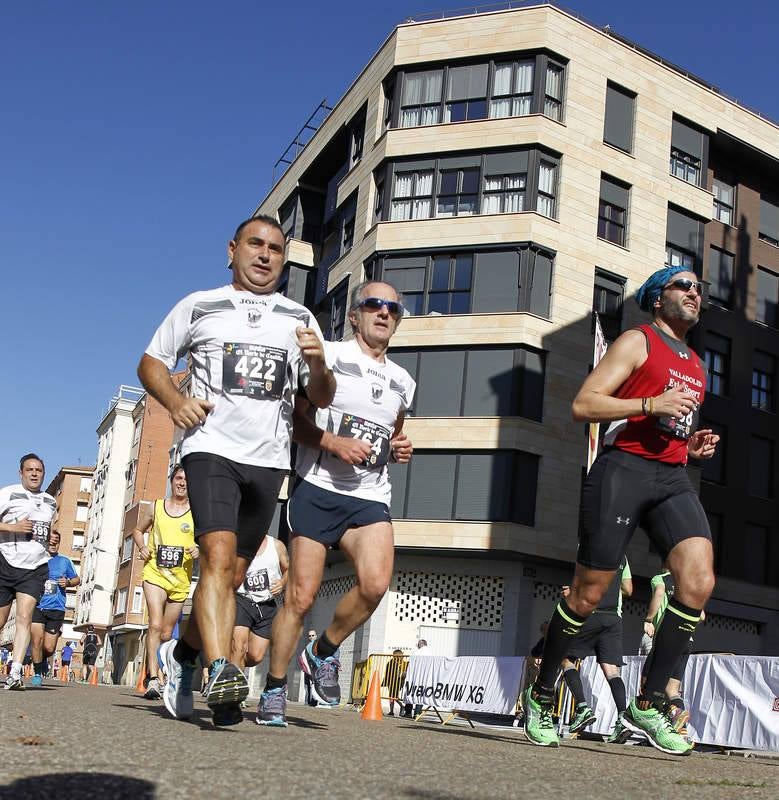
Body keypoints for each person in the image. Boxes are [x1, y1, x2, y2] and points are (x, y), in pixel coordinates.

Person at [139, 215, 335, 727]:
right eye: (255, 244)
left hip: (269, 459)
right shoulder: (199, 305)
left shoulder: (300, 318)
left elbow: (319, 398)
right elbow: (151, 363)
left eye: (275, 248)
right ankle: (221, 670)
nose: (265, 255)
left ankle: (181, 658)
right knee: (217, 559)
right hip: (211, 448)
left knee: (233, 575)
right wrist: (175, 401)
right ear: (232, 250)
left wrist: (319, 367)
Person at [522, 266, 718, 755]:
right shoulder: (637, 340)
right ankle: (542, 694)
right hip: (622, 471)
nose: (695, 293)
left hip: (671, 476)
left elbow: (668, 424)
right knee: (588, 594)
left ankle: (649, 702)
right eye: (684, 285)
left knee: (698, 581)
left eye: (700, 289)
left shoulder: (696, 362)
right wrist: (651, 403)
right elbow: (584, 404)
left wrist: (688, 446)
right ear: (657, 298)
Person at [257, 280, 415, 727]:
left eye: (393, 309)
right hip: (319, 487)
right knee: (300, 596)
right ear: (354, 315)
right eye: (374, 305)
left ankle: (322, 651)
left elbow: (393, 433)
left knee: (375, 584)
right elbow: (296, 422)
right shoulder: (329, 355)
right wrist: (333, 443)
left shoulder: (404, 380)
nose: (384, 313)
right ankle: (273, 688)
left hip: (369, 495)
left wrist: (401, 448)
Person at [132, 465, 197, 700]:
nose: (182, 483)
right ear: (172, 480)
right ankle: (153, 678)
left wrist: (198, 548)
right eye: (179, 478)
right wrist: (141, 548)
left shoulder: (196, 512)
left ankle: (164, 672)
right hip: (155, 574)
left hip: (180, 579)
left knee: (168, 633)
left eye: (187, 479)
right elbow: (137, 531)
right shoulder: (156, 507)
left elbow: (206, 541)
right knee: (155, 626)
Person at [559, 557, 632, 741]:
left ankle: (582, 708)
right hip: (614, 619)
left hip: (591, 613)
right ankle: (623, 717)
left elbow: (585, 580)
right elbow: (628, 589)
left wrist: (572, 591)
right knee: (612, 672)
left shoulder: (593, 547)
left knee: (566, 659)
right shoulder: (622, 556)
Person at [0, 454, 56, 690]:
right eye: (29, 470)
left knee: (24, 618)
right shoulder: (8, 493)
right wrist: (12, 527)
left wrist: (51, 539)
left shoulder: (51, 502)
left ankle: (15, 673)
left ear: (43, 474)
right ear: (21, 473)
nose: (34, 474)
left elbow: (47, 529)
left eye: (39, 470)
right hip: (6, 562)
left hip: (34, 568)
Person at [641, 566, 703, 738]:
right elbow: (702, 616)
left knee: (648, 684)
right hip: (687, 641)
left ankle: (657, 727)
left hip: (666, 639)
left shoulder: (660, 578)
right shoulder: (689, 583)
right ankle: (680, 728)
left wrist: (649, 619)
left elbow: (660, 594)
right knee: (672, 690)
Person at [228, 535, 288, 712]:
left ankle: (231, 667)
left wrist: (282, 583)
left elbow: (289, 569)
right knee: (238, 647)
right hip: (242, 600)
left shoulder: (276, 545)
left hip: (267, 605)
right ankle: (235, 692)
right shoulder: (237, 543)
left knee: (255, 656)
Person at [30, 530, 80, 686]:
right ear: (45, 542)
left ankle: (43, 658)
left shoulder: (64, 561)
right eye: (50, 541)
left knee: (49, 648)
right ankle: (37, 673)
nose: (53, 543)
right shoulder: (37, 559)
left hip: (56, 608)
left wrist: (68, 583)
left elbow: (76, 579)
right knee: (36, 641)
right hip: (37, 606)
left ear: (59, 543)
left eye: (56, 541)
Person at [382, 650, 407, 717]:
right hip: (391, 682)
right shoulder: (390, 663)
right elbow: (387, 673)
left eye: (400, 656)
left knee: (394, 696)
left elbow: (405, 673)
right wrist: (386, 681)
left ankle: (401, 706)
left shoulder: (404, 663)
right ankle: (392, 710)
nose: (400, 657)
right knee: (391, 696)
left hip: (399, 682)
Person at [303, 629, 318, 706]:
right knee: (307, 686)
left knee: (313, 685)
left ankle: (313, 702)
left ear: (316, 636)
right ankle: (307, 702)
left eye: (313, 635)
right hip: (307, 669)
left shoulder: (317, 646)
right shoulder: (307, 646)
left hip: (314, 669)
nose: (311, 637)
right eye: (310, 636)